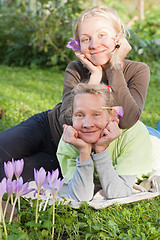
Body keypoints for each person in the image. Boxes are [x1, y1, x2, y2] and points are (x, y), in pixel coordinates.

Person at [0, 5, 150, 181]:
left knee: (9, 174)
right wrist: (95, 77)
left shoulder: (138, 71)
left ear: (118, 37)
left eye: (102, 35)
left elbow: (128, 119)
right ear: (79, 44)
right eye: (86, 39)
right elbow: (67, 119)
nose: (94, 45)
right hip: (48, 127)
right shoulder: (76, 69)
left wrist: (115, 67)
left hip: (70, 151)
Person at [57, 83, 160, 202]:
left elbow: (118, 194)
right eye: (79, 115)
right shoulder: (70, 140)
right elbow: (80, 197)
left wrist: (100, 151)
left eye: (96, 114)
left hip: (152, 140)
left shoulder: (133, 134)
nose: (87, 124)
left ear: (112, 115)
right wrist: (84, 152)